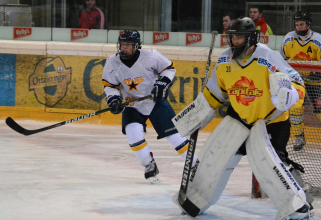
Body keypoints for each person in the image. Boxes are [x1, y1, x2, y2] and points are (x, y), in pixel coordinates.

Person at [172, 17, 315, 220]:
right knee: (216, 159)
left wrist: (290, 95)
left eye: (239, 38)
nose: (234, 42)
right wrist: (195, 115)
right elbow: (214, 94)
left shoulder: (268, 57)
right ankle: (195, 199)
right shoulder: (224, 60)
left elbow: (296, 82)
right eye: (233, 38)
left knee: (271, 165)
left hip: (271, 121)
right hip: (240, 119)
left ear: (251, 39)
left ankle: (299, 206)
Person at [102, 30, 198, 184]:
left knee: (174, 137)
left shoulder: (151, 56)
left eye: (128, 45)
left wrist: (162, 83)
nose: (124, 48)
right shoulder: (112, 62)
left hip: (155, 101)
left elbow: (169, 68)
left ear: (137, 45)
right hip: (132, 104)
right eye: (122, 44)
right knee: (133, 135)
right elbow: (110, 85)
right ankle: (149, 164)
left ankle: (194, 164)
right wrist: (113, 98)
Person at [280, 11, 321, 152]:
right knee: (296, 108)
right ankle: (300, 137)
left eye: (301, 24)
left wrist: (317, 73)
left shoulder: (318, 40)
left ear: (309, 24)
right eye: (297, 24)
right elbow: (282, 60)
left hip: (316, 83)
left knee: (320, 111)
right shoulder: (288, 38)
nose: (298, 27)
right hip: (296, 81)